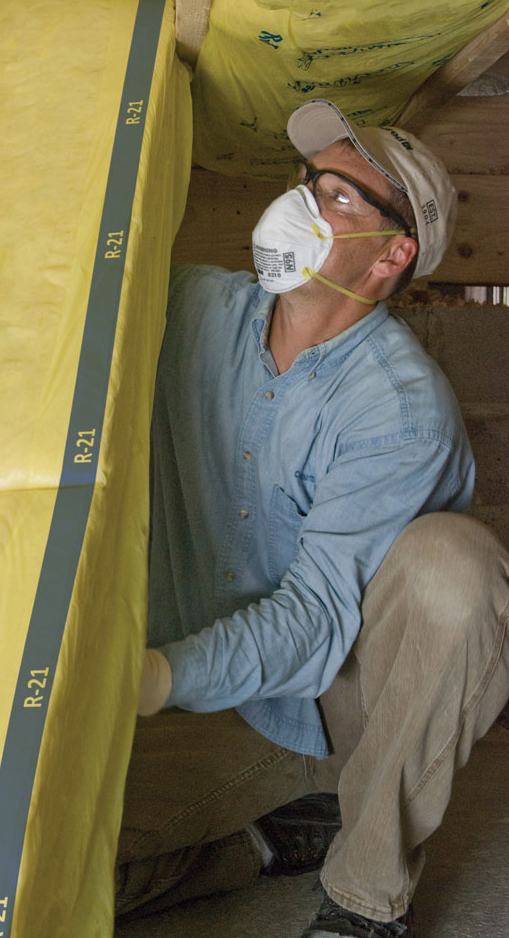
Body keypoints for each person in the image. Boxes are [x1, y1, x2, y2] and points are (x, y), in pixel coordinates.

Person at [117, 99, 509, 938]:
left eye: (336, 196)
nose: (298, 203)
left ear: (393, 254)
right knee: (45, 859)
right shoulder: (187, 311)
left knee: (456, 566)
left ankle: (368, 892)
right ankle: (268, 841)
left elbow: (312, 619)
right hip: (194, 689)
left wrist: (150, 677)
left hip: (324, 703)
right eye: (307, 181)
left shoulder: (397, 410)